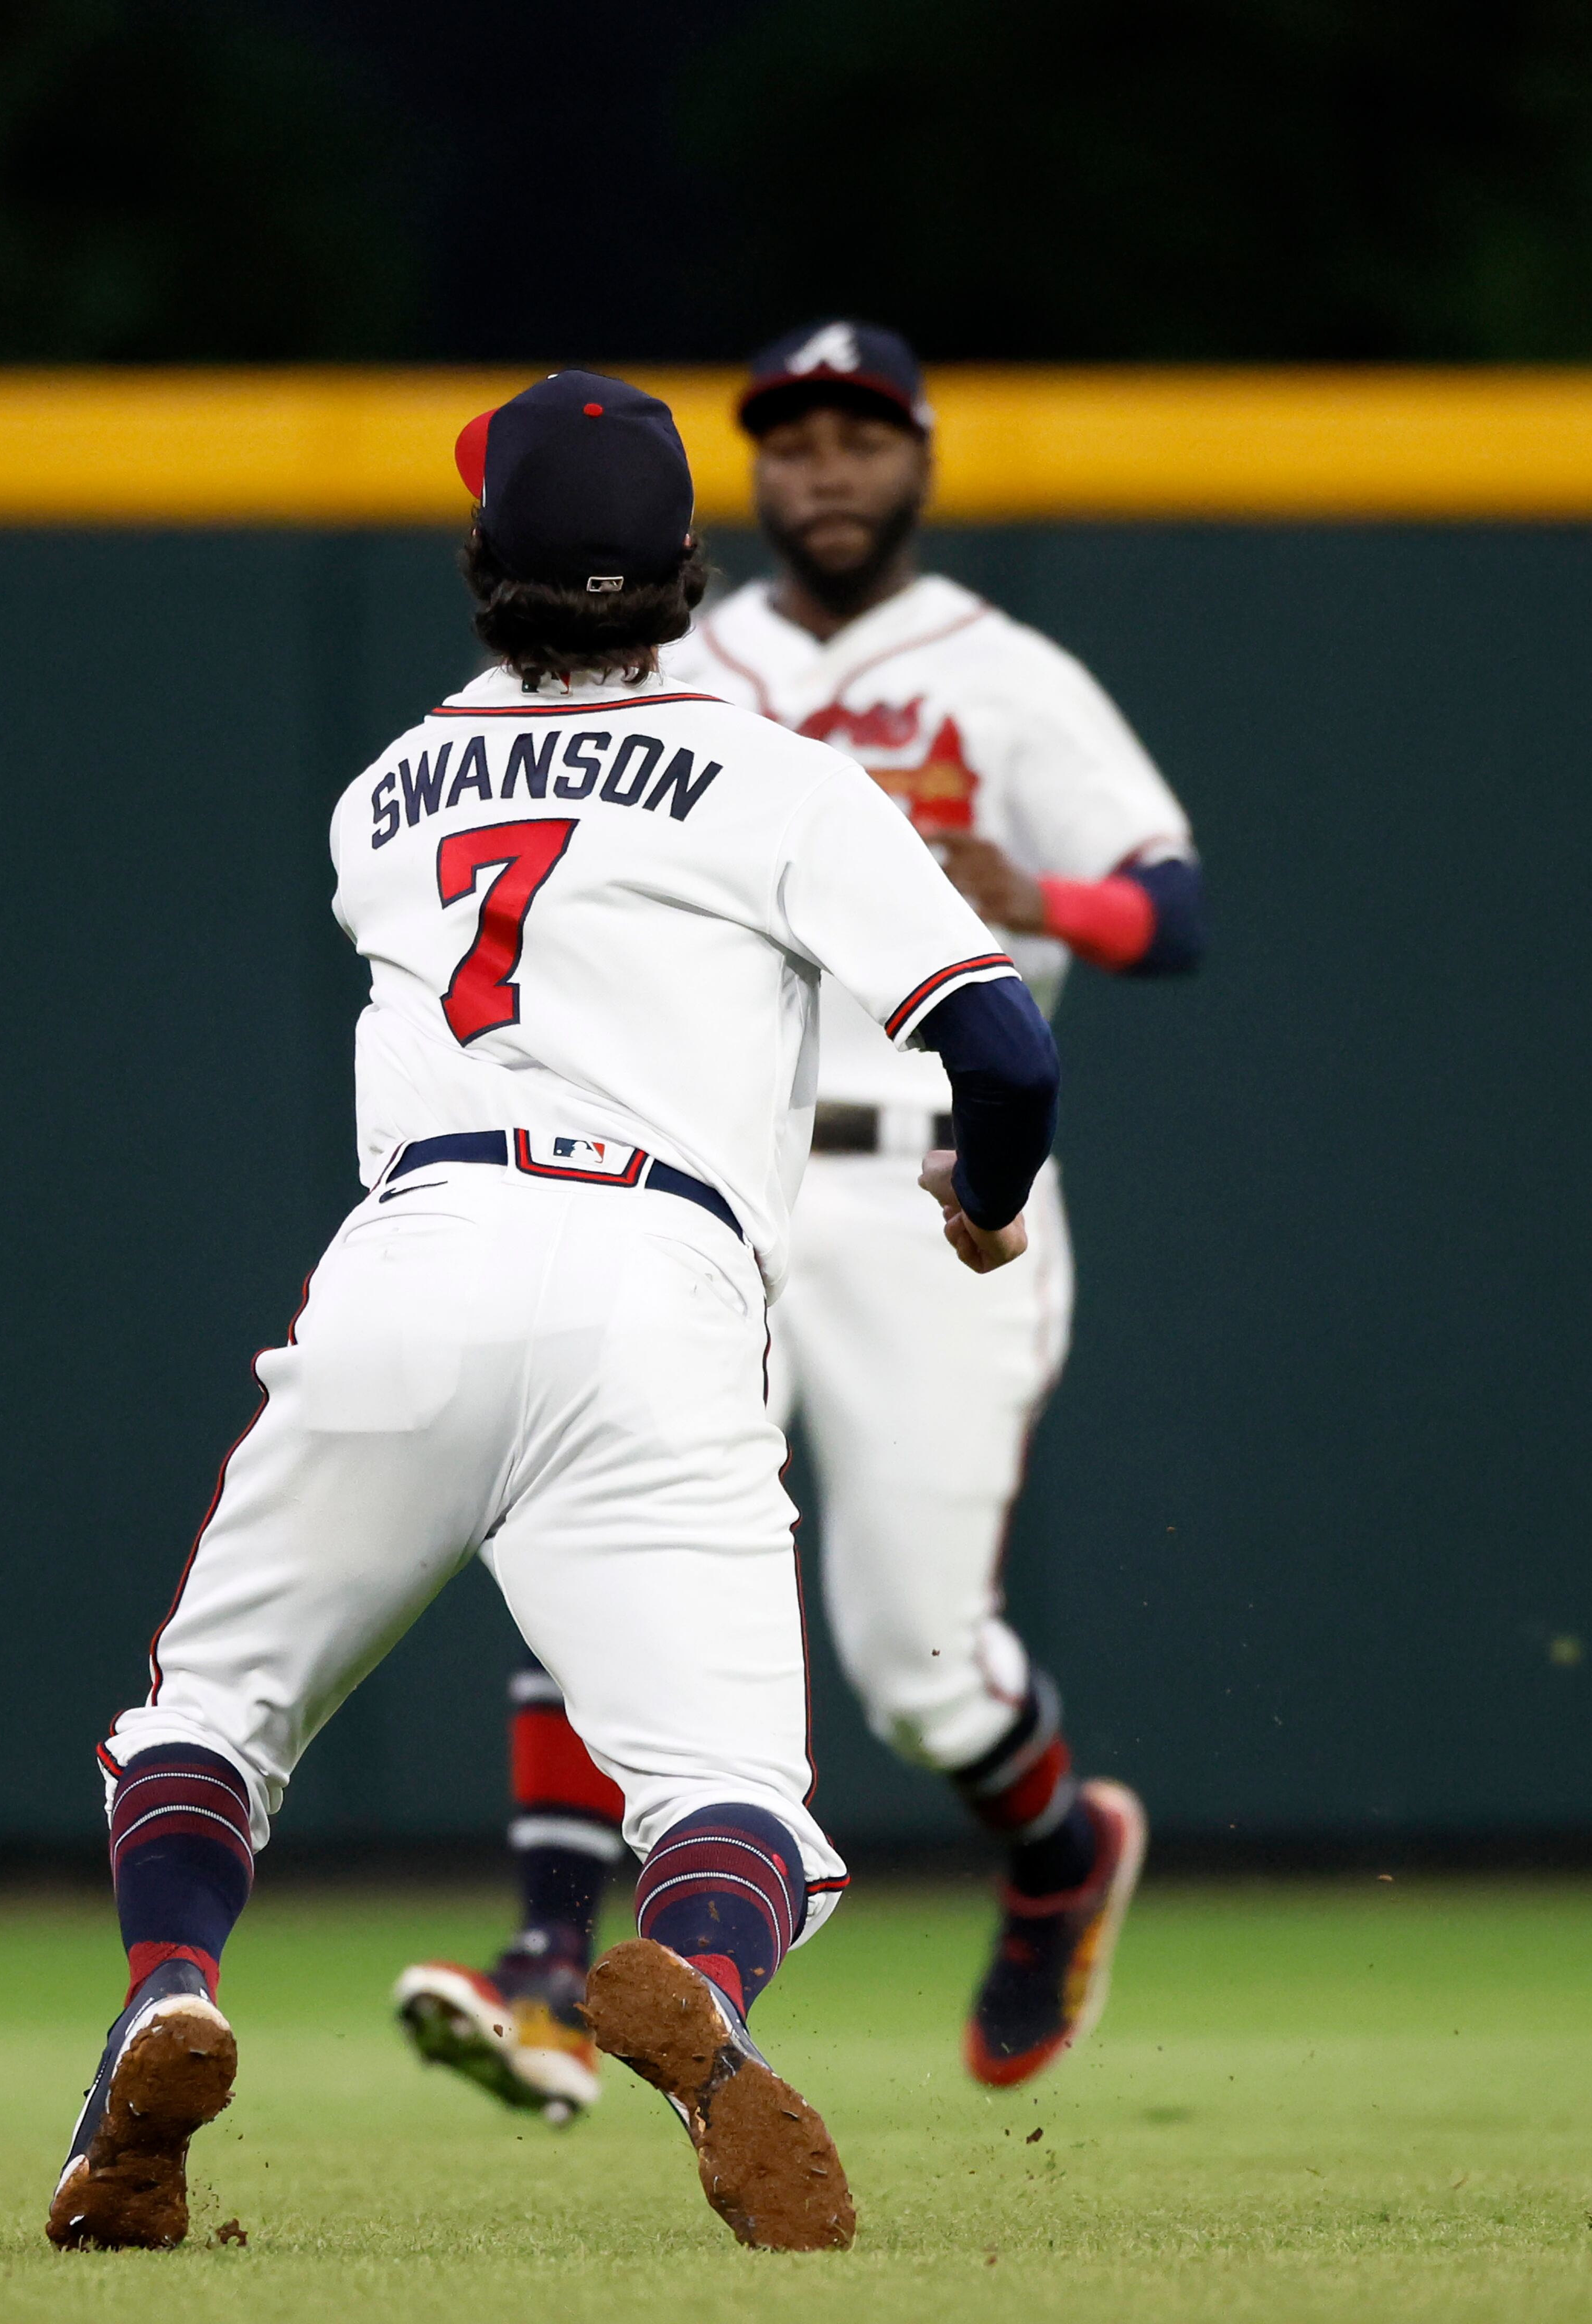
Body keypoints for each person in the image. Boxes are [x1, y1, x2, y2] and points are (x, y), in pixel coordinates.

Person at [45, 369, 1060, 2255]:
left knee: (213, 1716)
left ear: (475, 564)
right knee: (732, 1803)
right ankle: (694, 1982)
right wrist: (983, 1208)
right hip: (662, 1293)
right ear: (690, 565)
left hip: (410, 1260)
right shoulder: (779, 775)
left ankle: (166, 1999)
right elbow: (1003, 1051)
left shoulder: (382, 794)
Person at [396, 320, 1200, 2121]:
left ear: (916, 462)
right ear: (741, 482)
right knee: (591, 1517)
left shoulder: (1004, 674)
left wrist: (1047, 894)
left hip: (935, 1178)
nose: (824, 467)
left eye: (860, 437)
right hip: (712, 1173)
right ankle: (543, 1969)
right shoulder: (677, 655)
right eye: (793, 439)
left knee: (919, 1669)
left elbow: (1178, 902)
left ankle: (1057, 1846)